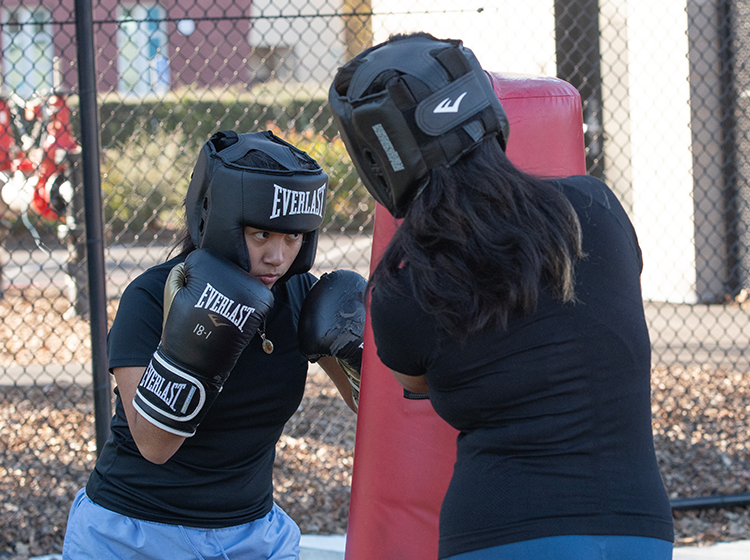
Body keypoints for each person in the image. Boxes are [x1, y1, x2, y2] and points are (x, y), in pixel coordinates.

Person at [329, 32, 675, 560]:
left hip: (502, 531)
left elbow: (414, 383)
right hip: (639, 527)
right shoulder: (596, 209)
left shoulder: (406, 283)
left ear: (380, 156)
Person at [62, 130, 364, 560]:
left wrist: (362, 353)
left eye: (292, 237)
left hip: (251, 535)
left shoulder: (301, 297)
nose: (278, 256)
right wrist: (203, 340)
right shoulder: (152, 296)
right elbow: (153, 445)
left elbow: (371, 406)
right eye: (262, 235)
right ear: (220, 222)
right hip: (133, 532)